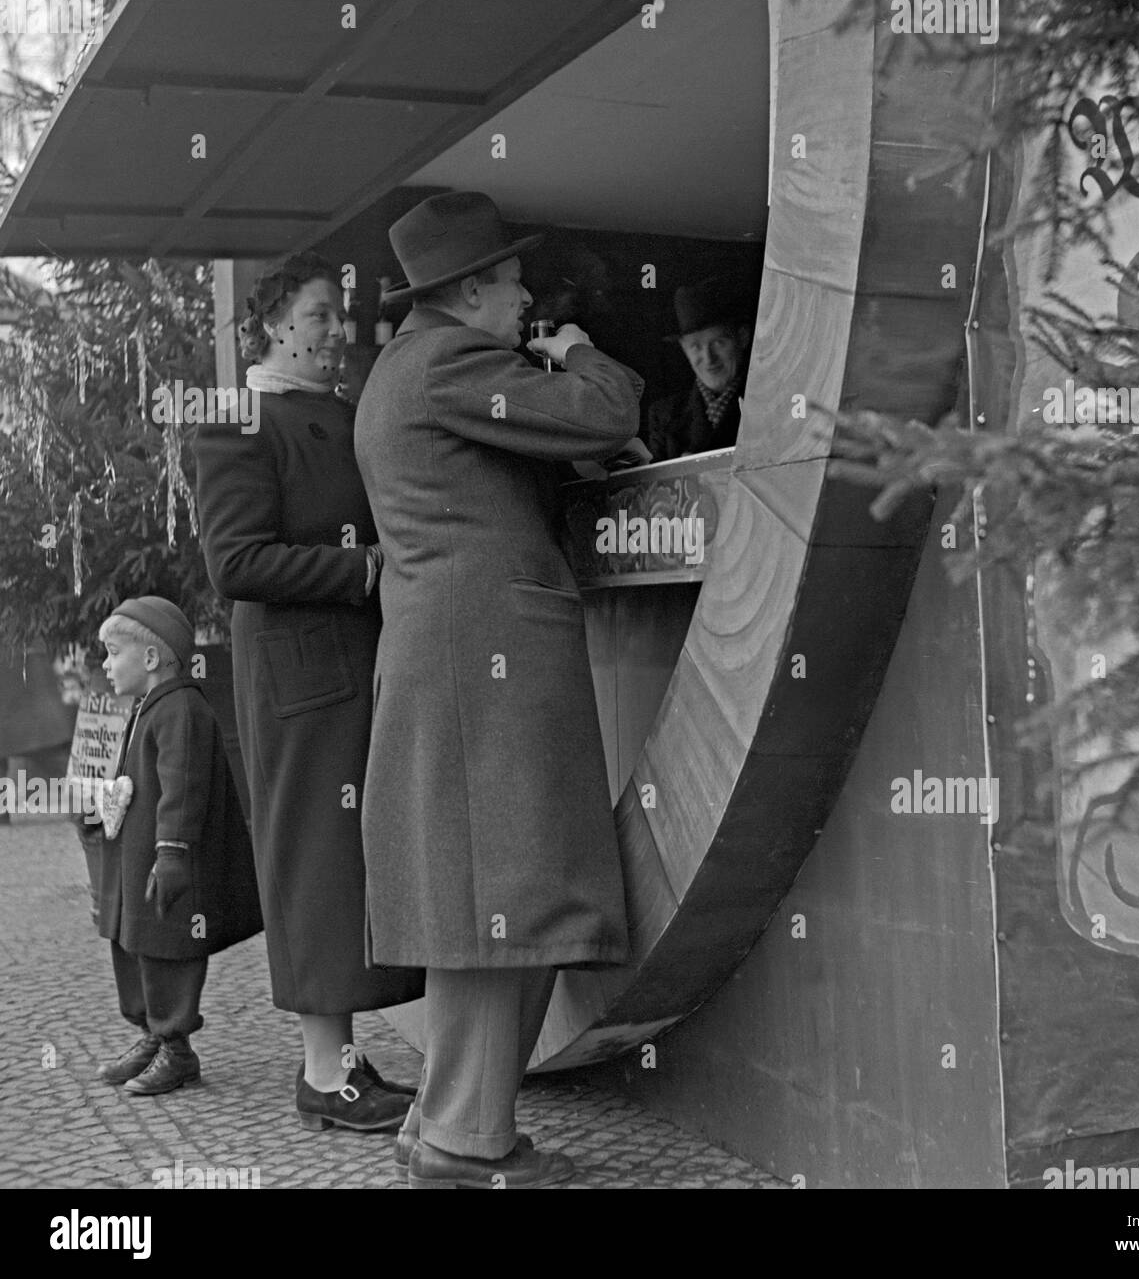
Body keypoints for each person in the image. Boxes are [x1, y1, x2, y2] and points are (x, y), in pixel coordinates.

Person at [354, 191, 643, 1189]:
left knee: (484, 896)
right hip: (489, 662)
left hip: (456, 655)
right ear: (472, 289)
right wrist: (573, 352)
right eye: (515, 281)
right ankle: (464, 1145)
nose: (525, 298)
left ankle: (446, 1121)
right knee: (504, 900)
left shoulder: (403, 367)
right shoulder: (452, 361)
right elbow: (606, 411)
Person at [195, 252, 423, 1133]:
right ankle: (323, 1076)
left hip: (360, 668)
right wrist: (361, 568)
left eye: (342, 315)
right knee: (316, 869)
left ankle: (347, 1063)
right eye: (320, 315)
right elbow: (235, 562)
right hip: (302, 682)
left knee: (357, 866)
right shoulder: (239, 421)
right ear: (272, 327)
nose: (338, 331)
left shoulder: (342, 413)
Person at [93, 596, 262, 1095]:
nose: (104, 664)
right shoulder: (150, 706)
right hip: (137, 861)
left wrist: (172, 851)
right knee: (135, 941)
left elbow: (183, 786)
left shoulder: (181, 710)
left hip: (166, 862)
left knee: (168, 945)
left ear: (149, 659)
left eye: (112, 652)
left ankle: (176, 1048)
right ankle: (151, 1034)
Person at [645, 276, 755, 461]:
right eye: (695, 346)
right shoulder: (664, 416)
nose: (708, 358)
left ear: (743, 338)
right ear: (684, 349)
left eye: (719, 343)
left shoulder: (769, 405)